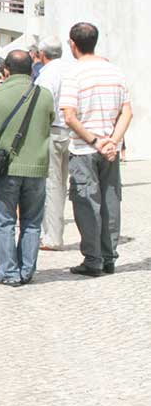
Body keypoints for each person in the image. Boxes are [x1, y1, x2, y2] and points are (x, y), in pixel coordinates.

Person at [59, 22, 132, 276]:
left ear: (72, 44)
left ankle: (93, 259)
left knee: (87, 203)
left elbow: (69, 116)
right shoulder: (115, 71)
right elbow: (127, 112)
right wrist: (113, 141)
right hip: (110, 149)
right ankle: (109, 257)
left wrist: (95, 141)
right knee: (111, 200)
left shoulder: (74, 74)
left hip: (84, 148)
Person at [0, 50, 55, 286]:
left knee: (5, 221)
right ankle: (26, 270)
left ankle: (8, 272)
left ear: (6, 70)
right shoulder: (44, 94)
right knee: (32, 222)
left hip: (6, 168)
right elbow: (50, 120)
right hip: (37, 168)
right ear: (31, 69)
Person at [34, 36, 71, 251]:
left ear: (41, 54)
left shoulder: (47, 74)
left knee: (52, 185)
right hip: (72, 131)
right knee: (62, 185)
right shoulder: (69, 70)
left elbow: (42, 105)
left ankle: (52, 237)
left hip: (53, 131)